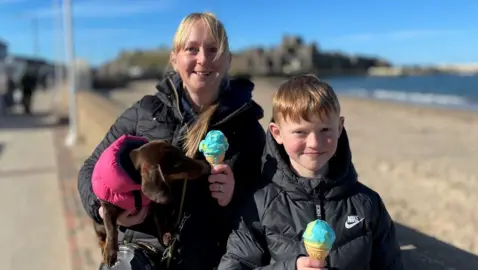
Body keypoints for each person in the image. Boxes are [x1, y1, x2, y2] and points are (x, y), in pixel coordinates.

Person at [77, 12, 266, 269]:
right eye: (192, 49)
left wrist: (235, 195)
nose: (203, 59)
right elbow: (90, 170)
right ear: (175, 59)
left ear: (228, 60)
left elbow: (269, 204)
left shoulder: (247, 128)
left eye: (213, 49)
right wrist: (103, 210)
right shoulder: (144, 112)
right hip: (137, 256)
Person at [219, 75, 404, 270]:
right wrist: (291, 267)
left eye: (325, 129)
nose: (315, 143)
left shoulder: (367, 203)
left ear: (339, 128)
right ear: (277, 133)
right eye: (300, 132)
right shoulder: (258, 204)